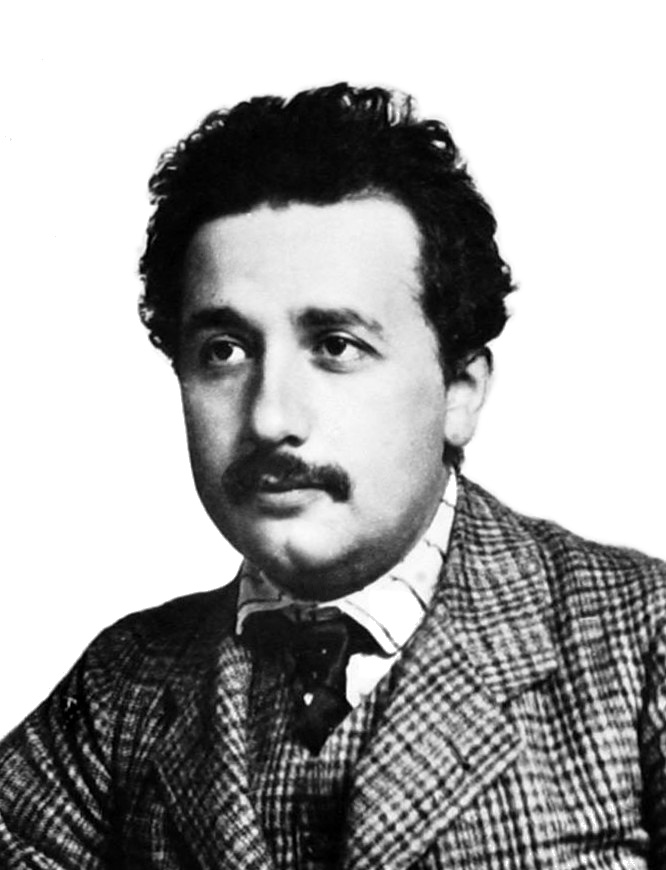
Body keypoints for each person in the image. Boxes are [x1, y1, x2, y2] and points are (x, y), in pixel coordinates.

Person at [1, 82, 664, 870]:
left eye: (336, 346)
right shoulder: (122, 688)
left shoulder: (644, 644)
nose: (269, 418)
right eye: (224, 351)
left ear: (460, 392)